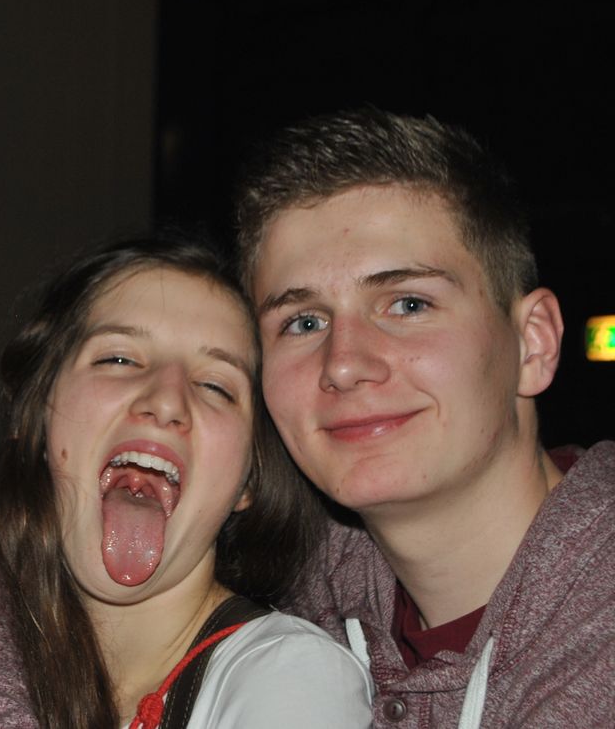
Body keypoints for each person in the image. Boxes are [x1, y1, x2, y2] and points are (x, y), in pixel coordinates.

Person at [234, 108, 615, 728]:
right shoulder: (289, 587)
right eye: (304, 322)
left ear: (533, 344)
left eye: (408, 304)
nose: (344, 364)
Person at [0, 237, 372, 728]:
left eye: (215, 385)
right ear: (38, 419)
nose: (167, 401)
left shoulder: (292, 678)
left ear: (249, 478)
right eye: (119, 359)